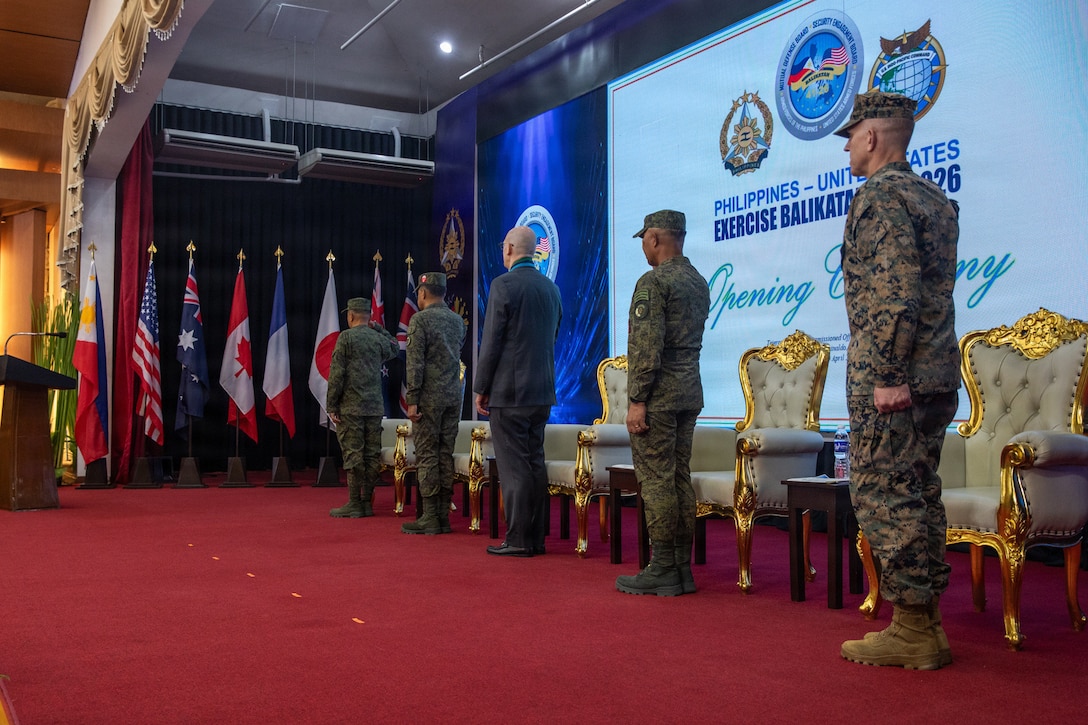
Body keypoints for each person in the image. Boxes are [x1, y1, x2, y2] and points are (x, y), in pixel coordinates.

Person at [835, 90, 960, 669]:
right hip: (935, 373)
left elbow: (895, 291)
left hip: (895, 380)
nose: (848, 151)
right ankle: (926, 622)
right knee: (920, 490)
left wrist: (886, 374)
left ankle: (911, 626)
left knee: (885, 494)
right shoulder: (935, 198)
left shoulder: (879, 197)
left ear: (871, 137)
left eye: (851, 138)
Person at [615, 210, 710, 596]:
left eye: (643, 239)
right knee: (679, 478)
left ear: (655, 239)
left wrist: (637, 398)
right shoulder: (698, 282)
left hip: (658, 395)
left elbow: (645, 348)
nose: (642, 247)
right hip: (689, 391)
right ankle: (681, 568)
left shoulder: (653, 283)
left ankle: (663, 567)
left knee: (655, 481)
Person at [474, 226, 562, 557]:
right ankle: (535, 538)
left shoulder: (504, 285)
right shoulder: (551, 288)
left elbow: (492, 340)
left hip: (509, 393)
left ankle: (519, 539)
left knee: (513, 468)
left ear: (509, 248)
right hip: (542, 392)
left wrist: (481, 387)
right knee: (534, 463)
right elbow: (553, 334)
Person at [401, 271, 466, 535]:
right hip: (452, 397)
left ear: (423, 293)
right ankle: (443, 516)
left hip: (428, 397)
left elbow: (415, 363)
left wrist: (412, 399)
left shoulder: (419, 320)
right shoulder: (456, 321)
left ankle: (430, 516)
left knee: (427, 453)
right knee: (444, 453)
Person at [327, 297, 400, 518]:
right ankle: (367, 503)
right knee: (370, 455)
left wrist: (331, 404)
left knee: (353, 455)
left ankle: (354, 503)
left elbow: (337, 374)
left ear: (350, 316)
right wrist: (377, 327)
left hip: (351, 407)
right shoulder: (377, 339)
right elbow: (395, 348)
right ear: (368, 317)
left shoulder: (346, 338)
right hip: (374, 407)